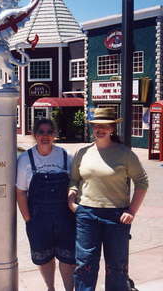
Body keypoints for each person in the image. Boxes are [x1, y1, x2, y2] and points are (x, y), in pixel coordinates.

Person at [68, 107, 149, 291]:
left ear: (112, 128)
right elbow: (74, 180)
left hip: (116, 216)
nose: (100, 129)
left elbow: (142, 182)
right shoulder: (83, 153)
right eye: (97, 125)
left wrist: (131, 211)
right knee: (85, 265)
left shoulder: (124, 153)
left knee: (116, 266)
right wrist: (71, 201)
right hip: (86, 214)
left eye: (105, 126)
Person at [16, 118, 76, 291]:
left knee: (67, 259)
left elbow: (75, 184)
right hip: (38, 219)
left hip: (65, 217)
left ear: (54, 135)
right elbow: (20, 192)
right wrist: (28, 219)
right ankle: (50, 288)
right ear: (35, 135)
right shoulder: (25, 159)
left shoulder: (66, 156)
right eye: (41, 132)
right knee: (45, 258)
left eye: (49, 132)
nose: (45, 136)